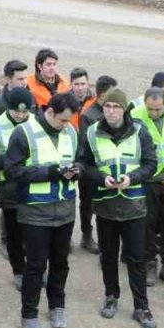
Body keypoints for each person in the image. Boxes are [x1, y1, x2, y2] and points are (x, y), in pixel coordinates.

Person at [79, 88, 158, 328]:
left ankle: (141, 307)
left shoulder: (140, 131)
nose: (111, 111)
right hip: (105, 207)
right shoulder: (92, 133)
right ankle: (111, 296)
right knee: (109, 257)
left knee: (136, 258)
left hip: (134, 206)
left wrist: (132, 178)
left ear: (124, 110)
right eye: (108, 107)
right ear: (102, 108)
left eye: (116, 107)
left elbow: (150, 164)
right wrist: (100, 178)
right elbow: (84, 164)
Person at [4, 92, 81, 328]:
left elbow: (79, 161)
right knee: (36, 266)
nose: (66, 125)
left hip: (65, 210)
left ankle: (57, 305)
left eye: (69, 121)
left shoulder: (71, 132)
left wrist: (77, 170)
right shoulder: (23, 133)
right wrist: (51, 172)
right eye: (62, 120)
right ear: (49, 112)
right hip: (35, 211)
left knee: (61, 262)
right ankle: (29, 315)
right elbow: (12, 171)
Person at [131, 86, 164, 289]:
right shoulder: (135, 115)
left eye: (158, 109)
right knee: (147, 224)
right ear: (145, 103)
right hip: (147, 179)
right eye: (150, 109)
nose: (154, 113)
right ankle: (150, 263)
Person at [0, 87, 36, 288]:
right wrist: (11, 160)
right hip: (8, 188)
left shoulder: (36, 122)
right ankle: (18, 270)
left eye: (25, 112)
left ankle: (34, 270)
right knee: (14, 233)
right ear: (9, 108)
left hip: (34, 185)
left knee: (34, 232)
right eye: (17, 111)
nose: (21, 115)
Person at [68, 68, 99, 254]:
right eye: (76, 84)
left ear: (89, 84)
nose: (80, 88)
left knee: (88, 201)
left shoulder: (95, 103)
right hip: (69, 158)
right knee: (68, 199)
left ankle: (87, 236)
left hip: (87, 160)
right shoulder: (64, 102)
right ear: (71, 85)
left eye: (83, 84)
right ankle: (66, 237)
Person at [0, 59, 29, 123]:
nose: (24, 83)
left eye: (26, 78)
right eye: (20, 79)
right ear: (8, 79)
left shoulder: (32, 100)